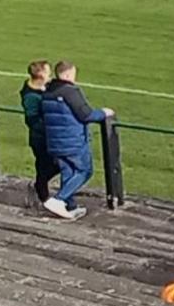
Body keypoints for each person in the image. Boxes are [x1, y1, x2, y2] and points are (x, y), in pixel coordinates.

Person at [36, 62, 111, 219]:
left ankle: (70, 207)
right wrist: (104, 113)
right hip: (73, 141)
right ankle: (58, 200)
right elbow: (86, 115)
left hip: (54, 141)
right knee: (85, 171)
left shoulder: (47, 92)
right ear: (69, 74)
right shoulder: (71, 91)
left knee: (68, 172)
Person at [18, 60, 54, 203]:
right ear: (40, 74)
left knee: (46, 167)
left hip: (47, 135)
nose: (49, 74)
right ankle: (41, 193)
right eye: (47, 71)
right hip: (40, 138)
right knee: (47, 165)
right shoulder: (31, 97)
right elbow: (32, 120)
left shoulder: (41, 89)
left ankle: (40, 192)